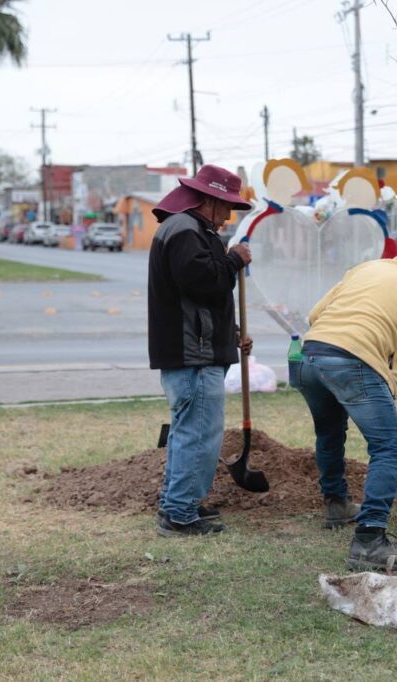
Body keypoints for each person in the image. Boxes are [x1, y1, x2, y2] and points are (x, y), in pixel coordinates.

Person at [293, 234, 397, 570]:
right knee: (389, 448)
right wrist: (390, 377)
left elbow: (315, 314)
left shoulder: (369, 267)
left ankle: (336, 505)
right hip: (354, 359)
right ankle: (369, 540)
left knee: (329, 434)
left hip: (311, 355)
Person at [148, 164, 254, 537]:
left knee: (188, 431)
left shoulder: (190, 230)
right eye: (225, 207)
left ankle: (180, 504)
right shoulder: (185, 231)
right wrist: (235, 259)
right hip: (194, 355)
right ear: (208, 200)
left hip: (197, 349)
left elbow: (203, 302)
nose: (227, 217)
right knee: (198, 433)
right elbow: (204, 283)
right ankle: (178, 514)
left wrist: (232, 333)